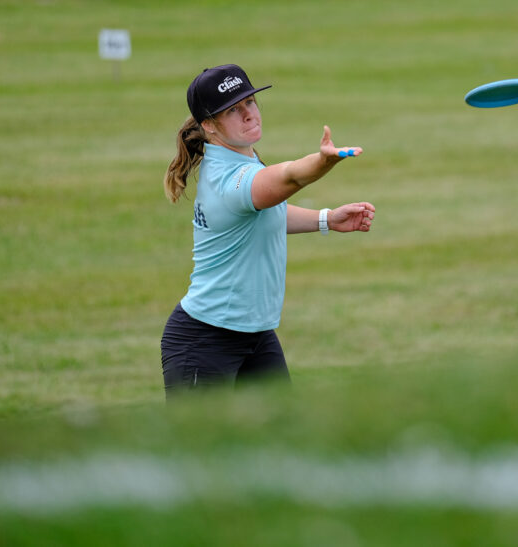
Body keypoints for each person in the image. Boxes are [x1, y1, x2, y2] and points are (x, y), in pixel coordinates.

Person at [160, 64, 375, 395]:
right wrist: (322, 162)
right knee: (201, 447)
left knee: (281, 440)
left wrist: (326, 219)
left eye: (250, 102)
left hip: (255, 335)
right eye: (233, 110)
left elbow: (264, 215)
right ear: (209, 126)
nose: (248, 114)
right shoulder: (229, 180)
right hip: (205, 340)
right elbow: (289, 177)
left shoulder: (241, 163)